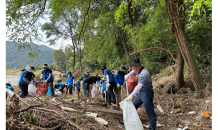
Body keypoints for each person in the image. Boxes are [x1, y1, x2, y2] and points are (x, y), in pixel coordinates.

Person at [121, 58, 157, 130]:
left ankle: (152, 128)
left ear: (137, 66)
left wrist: (131, 95)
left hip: (146, 93)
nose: (131, 68)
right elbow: (133, 71)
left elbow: (139, 86)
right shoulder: (138, 70)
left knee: (149, 111)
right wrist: (128, 74)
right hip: (141, 93)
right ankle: (128, 122)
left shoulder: (144, 73)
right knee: (133, 106)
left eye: (133, 66)